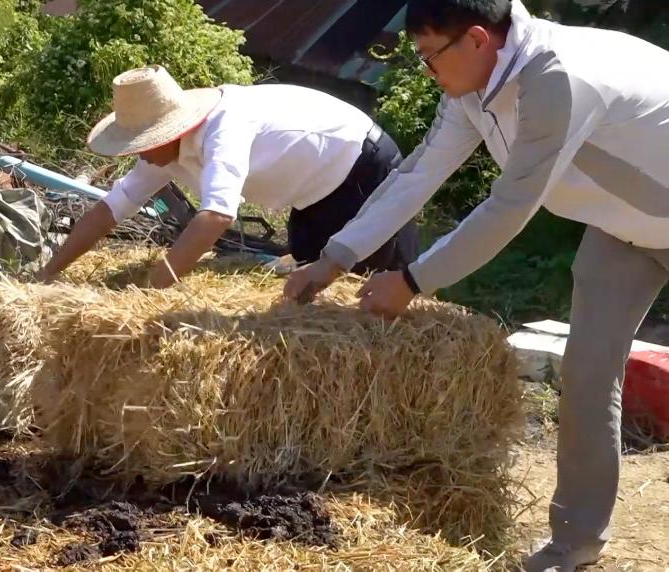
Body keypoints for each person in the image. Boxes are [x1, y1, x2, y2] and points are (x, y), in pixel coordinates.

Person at [284, 0, 669, 569]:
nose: (426, 70)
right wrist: (334, 258)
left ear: (478, 40)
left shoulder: (557, 78)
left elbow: (510, 207)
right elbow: (419, 172)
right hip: (624, 229)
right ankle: (576, 542)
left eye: (429, 55)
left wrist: (412, 280)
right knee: (587, 374)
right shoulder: (470, 86)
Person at [36, 65, 419, 287]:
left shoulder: (224, 128)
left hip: (362, 169)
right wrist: (48, 274)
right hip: (312, 195)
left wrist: (149, 293)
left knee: (365, 290)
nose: (138, 153)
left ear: (167, 132)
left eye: (141, 144)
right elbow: (110, 210)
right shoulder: (162, 154)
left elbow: (217, 215)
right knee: (307, 281)